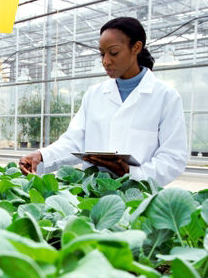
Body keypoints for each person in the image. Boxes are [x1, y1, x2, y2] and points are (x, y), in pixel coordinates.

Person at [19, 17, 187, 186]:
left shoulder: (165, 96)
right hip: (93, 192)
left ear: (136, 48)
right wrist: (41, 156)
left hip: (139, 196)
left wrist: (133, 173)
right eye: (102, 54)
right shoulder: (94, 95)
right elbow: (74, 142)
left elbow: (173, 156)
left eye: (113, 53)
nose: (106, 61)